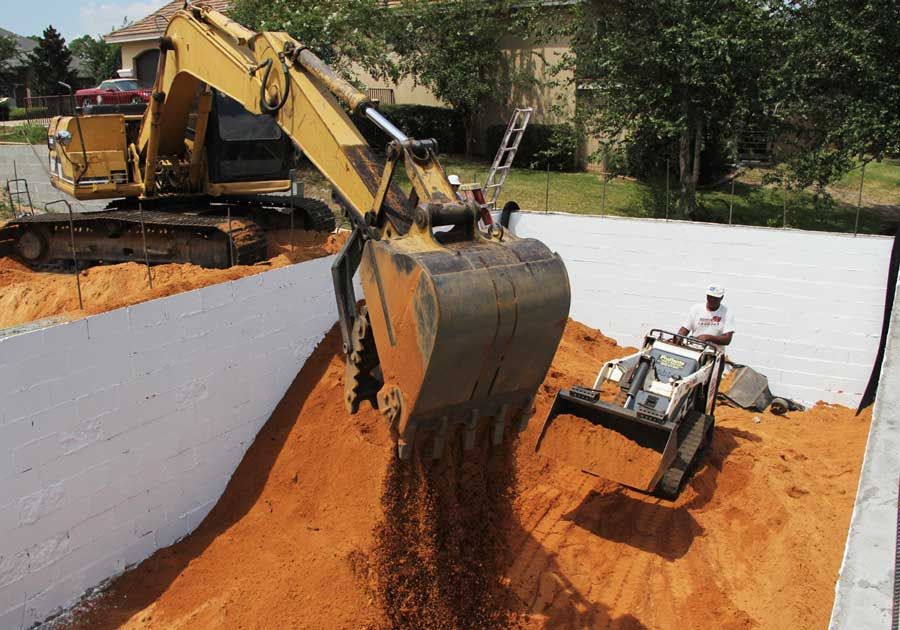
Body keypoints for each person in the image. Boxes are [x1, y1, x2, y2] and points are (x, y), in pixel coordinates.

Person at [678, 285, 735, 350]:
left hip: (714, 354)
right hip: (694, 349)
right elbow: (684, 329)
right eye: (710, 297)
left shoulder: (727, 313)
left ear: (722, 297)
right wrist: (679, 338)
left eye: (715, 297)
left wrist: (708, 337)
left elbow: (727, 339)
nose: (712, 300)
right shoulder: (696, 308)